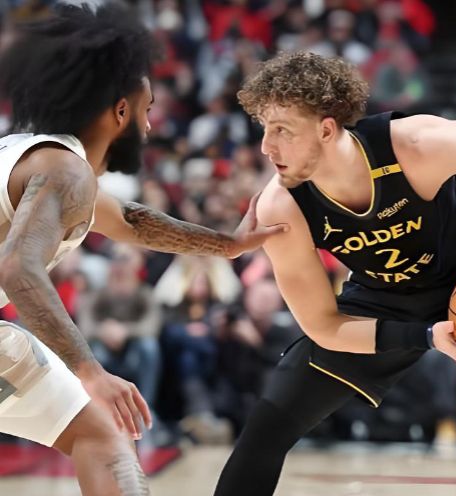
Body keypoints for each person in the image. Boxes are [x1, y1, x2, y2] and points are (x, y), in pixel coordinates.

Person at [213, 51, 456, 496]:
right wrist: (425, 336)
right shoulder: (282, 207)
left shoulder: (413, 147)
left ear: (326, 129)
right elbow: (322, 325)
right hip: (383, 300)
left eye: (282, 130)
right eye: (264, 128)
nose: (266, 146)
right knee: (267, 427)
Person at [0, 3, 284, 496]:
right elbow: (18, 268)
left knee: (103, 438)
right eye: (147, 110)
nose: (150, 127)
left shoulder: (42, 159)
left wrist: (230, 245)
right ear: (120, 112)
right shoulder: (63, 170)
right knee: (104, 439)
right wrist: (90, 371)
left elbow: (131, 220)